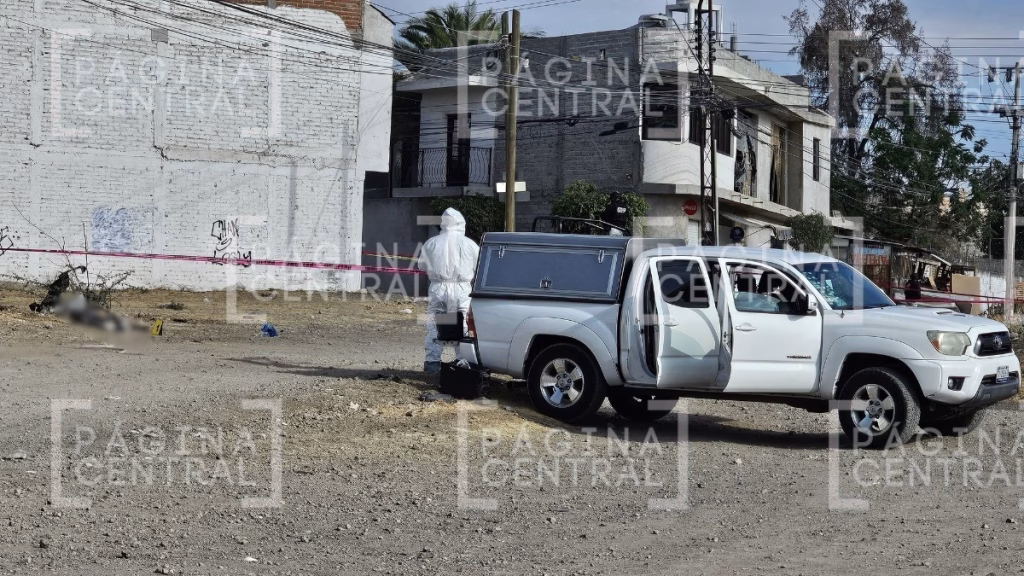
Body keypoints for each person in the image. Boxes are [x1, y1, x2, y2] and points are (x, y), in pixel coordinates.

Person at [418, 208, 480, 375]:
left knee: (434, 325)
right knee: (464, 326)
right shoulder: (470, 244)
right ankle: (462, 363)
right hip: (462, 289)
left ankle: (432, 363)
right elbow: (479, 267)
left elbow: (421, 265)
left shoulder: (431, 243)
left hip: (438, 288)